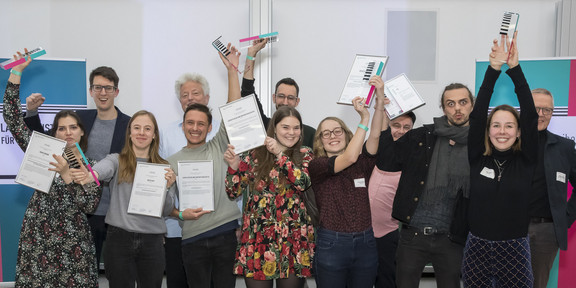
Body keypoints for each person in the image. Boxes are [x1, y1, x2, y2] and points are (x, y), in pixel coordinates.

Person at [3, 49, 101, 287]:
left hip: (74, 244)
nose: (68, 132)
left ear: (81, 132)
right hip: (38, 238)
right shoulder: (44, 151)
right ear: (54, 133)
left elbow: (89, 205)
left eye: (73, 127)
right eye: (61, 128)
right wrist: (16, 72)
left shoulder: (94, 167)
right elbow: (12, 118)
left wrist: (67, 174)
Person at [24, 65, 131, 270]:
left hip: (115, 210)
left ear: (116, 91)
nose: (103, 93)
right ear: (91, 91)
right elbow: (44, 143)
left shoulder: (129, 125)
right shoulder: (79, 119)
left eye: (108, 88)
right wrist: (32, 112)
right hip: (82, 210)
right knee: (82, 269)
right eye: (97, 87)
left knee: (117, 274)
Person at [377, 75, 474, 287]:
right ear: (443, 108)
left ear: (472, 105)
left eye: (463, 102)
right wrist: (383, 118)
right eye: (451, 103)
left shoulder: (481, 144)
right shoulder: (424, 137)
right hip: (413, 237)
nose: (457, 108)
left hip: (452, 239)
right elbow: (386, 160)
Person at [462, 33, 538, 287]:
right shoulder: (477, 158)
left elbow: (529, 115)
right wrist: (493, 69)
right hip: (477, 250)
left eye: (509, 126)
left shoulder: (526, 159)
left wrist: (515, 69)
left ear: (518, 132)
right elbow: (476, 117)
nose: (502, 131)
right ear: (488, 130)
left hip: (515, 251)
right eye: (496, 125)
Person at [165, 45, 243, 288]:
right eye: (190, 123)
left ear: (210, 128)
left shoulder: (218, 145)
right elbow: (161, 204)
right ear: (183, 126)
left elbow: (233, 109)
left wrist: (232, 70)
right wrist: (179, 214)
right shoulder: (171, 161)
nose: (195, 128)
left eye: (201, 124)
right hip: (192, 239)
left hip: (224, 234)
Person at [74, 110, 177, 288]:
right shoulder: (116, 160)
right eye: (136, 128)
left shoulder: (164, 168)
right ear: (129, 133)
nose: (141, 133)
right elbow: (102, 169)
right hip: (119, 240)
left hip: (152, 242)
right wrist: (92, 175)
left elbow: (167, 210)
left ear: (154, 135)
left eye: (147, 129)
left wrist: (168, 187)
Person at [308, 75, 386, 288]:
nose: (332, 136)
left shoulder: (362, 163)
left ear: (346, 134)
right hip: (332, 244)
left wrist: (379, 102)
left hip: (366, 243)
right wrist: (363, 119)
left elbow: (376, 136)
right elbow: (348, 157)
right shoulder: (318, 166)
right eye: (326, 134)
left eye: (337, 130)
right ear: (320, 142)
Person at [224, 106, 315, 288]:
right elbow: (233, 192)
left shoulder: (305, 154)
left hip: (293, 239)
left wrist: (279, 154)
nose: (291, 133)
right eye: (285, 127)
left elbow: (302, 182)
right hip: (258, 239)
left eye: (296, 128)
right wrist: (234, 166)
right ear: (274, 128)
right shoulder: (255, 154)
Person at [159, 71, 221, 288]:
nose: (190, 98)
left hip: (217, 227)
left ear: (207, 98)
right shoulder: (165, 133)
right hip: (177, 227)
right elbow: (159, 179)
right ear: (179, 101)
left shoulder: (218, 134)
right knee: (178, 281)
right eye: (184, 95)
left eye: (195, 93)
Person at [528, 87, 576, 287]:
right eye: (536, 108)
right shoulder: (508, 142)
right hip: (509, 227)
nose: (541, 114)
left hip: (546, 232)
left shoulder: (564, 147)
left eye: (547, 110)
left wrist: (565, 219)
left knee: (537, 284)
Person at [369, 111, 416, 288]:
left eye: (407, 127)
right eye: (396, 125)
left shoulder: (414, 160)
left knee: (386, 280)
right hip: (361, 233)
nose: (401, 131)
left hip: (387, 235)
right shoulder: (373, 149)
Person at [241, 39, 316, 147]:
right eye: (281, 96)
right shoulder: (264, 127)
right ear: (274, 98)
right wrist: (251, 54)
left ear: (297, 101)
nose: (285, 102)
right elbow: (247, 92)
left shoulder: (310, 134)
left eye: (290, 97)